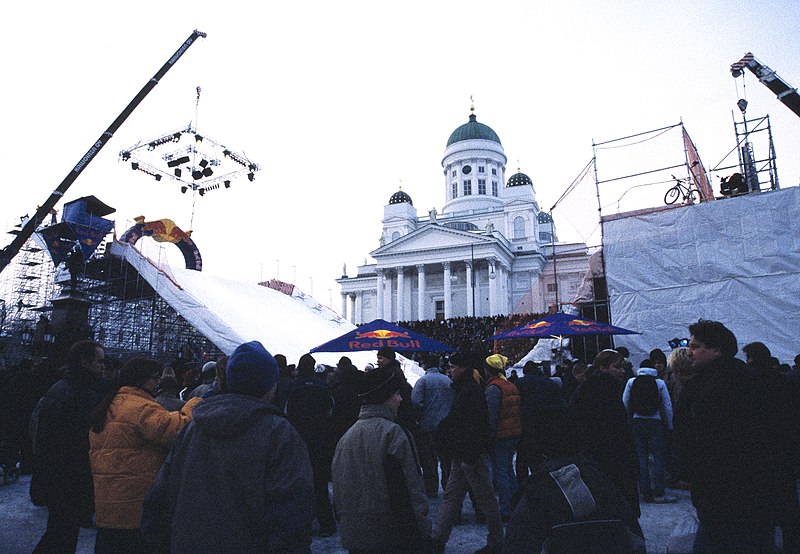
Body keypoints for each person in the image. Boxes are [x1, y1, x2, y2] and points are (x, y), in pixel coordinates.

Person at [142, 340, 314, 552]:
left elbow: (157, 504)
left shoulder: (192, 429)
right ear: (269, 385)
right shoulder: (279, 434)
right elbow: (292, 517)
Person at [674, 320, 789, 553]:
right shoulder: (753, 380)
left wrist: (689, 472)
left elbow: (691, 437)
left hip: (722, 492)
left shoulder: (703, 387)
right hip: (754, 491)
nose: (689, 351)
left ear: (717, 349)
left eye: (696, 346)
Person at [89, 357, 199, 553]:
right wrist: (193, 405)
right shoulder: (139, 406)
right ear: (140, 380)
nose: (157, 383)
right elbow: (174, 430)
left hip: (107, 506)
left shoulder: (112, 403)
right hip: (133, 507)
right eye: (154, 378)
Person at [505, 407, 644, 554]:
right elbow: (635, 539)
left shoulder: (537, 495)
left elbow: (516, 545)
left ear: (542, 450)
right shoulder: (605, 484)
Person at [332, 365, 432, 553]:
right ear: (384, 397)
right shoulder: (393, 434)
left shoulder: (346, 438)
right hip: (392, 538)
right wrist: (422, 534)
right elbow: (410, 490)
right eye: (396, 394)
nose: (401, 399)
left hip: (356, 538)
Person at [33, 340, 107, 554]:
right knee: (62, 536)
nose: (103, 366)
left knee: (61, 532)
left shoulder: (64, 387)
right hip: (68, 478)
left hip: (59, 476)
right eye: (99, 361)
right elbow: (75, 440)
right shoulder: (79, 393)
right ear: (84, 362)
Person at [432, 352, 503, 554]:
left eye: (453, 366)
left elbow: (474, 427)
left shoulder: (470, 391)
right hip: (462, 454)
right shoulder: (467, 389)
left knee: (486, 500)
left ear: (463, 368)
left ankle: (496, 541)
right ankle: (438, 540)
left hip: (469, 456)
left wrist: (469, 456)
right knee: (451, 497)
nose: (449, 370)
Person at [569, 349, 641, 527]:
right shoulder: (604, 390)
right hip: (609, 460)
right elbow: (616, 432)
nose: (622, 371)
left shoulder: (591, 388)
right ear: (602, 367)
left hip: (596, 459)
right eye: (617, 367)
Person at [285, 353, 337, 537]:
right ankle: (326, 523)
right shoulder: (322, 386)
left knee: (299, 484)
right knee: (320, 483)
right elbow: (330, 409)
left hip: (299, 439)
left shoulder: (294, 386)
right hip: (319, 439)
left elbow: (287, 411)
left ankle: (302, 525)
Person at [622, 360, 674, 503]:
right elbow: (667, 406)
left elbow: (625, 402)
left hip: (637, 421)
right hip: (655, 421)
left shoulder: (632, 382)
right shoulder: (659, 383)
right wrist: (670, 426)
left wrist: (626, 421)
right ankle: (659, 491)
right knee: (659, 456)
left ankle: (645, 491)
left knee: (641, 456)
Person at [482, 353, 521, 520]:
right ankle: (516, 503)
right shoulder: (510, 385)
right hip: (514, 432)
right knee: (508, 470)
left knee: (501, 472)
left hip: (501, 434)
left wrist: (488, 436)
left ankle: (505, 508)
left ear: (488, 370)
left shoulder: (493, 388)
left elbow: (491, 415)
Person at [411, 352, 454, 498]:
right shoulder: (448, 380)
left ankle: (432, 489)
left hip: (427, 426)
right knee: (446, 460)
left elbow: (416, 402)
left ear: (425, 365)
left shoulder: (422, 381)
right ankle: (448, 486)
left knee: (429, 461)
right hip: (446, 427)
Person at [515, 360, 565, 480]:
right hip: (546, 425)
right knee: (540, 458)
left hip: (526, 424)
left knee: (522, 458)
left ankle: (523, 485)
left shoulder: (520, 383)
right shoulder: (550, 383)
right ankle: (541, 482)